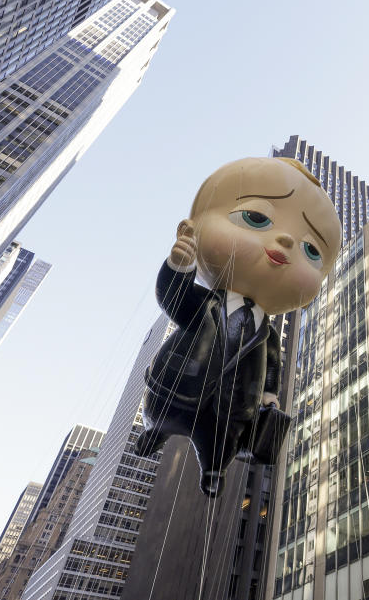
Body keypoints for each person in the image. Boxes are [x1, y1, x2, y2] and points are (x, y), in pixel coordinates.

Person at [134, 157, 342, 497]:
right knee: (161, 416)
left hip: (232, 409)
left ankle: (213, 469)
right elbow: (174, 300)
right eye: (256, 218)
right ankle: (154, 433)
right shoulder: (205, 302)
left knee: (218, 443)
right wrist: (178, 266)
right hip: (179, 388)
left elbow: (272, 367)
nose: (286, 241)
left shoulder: (268, 334)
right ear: (191, 229)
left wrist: (270, 396)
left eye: (311, 250)